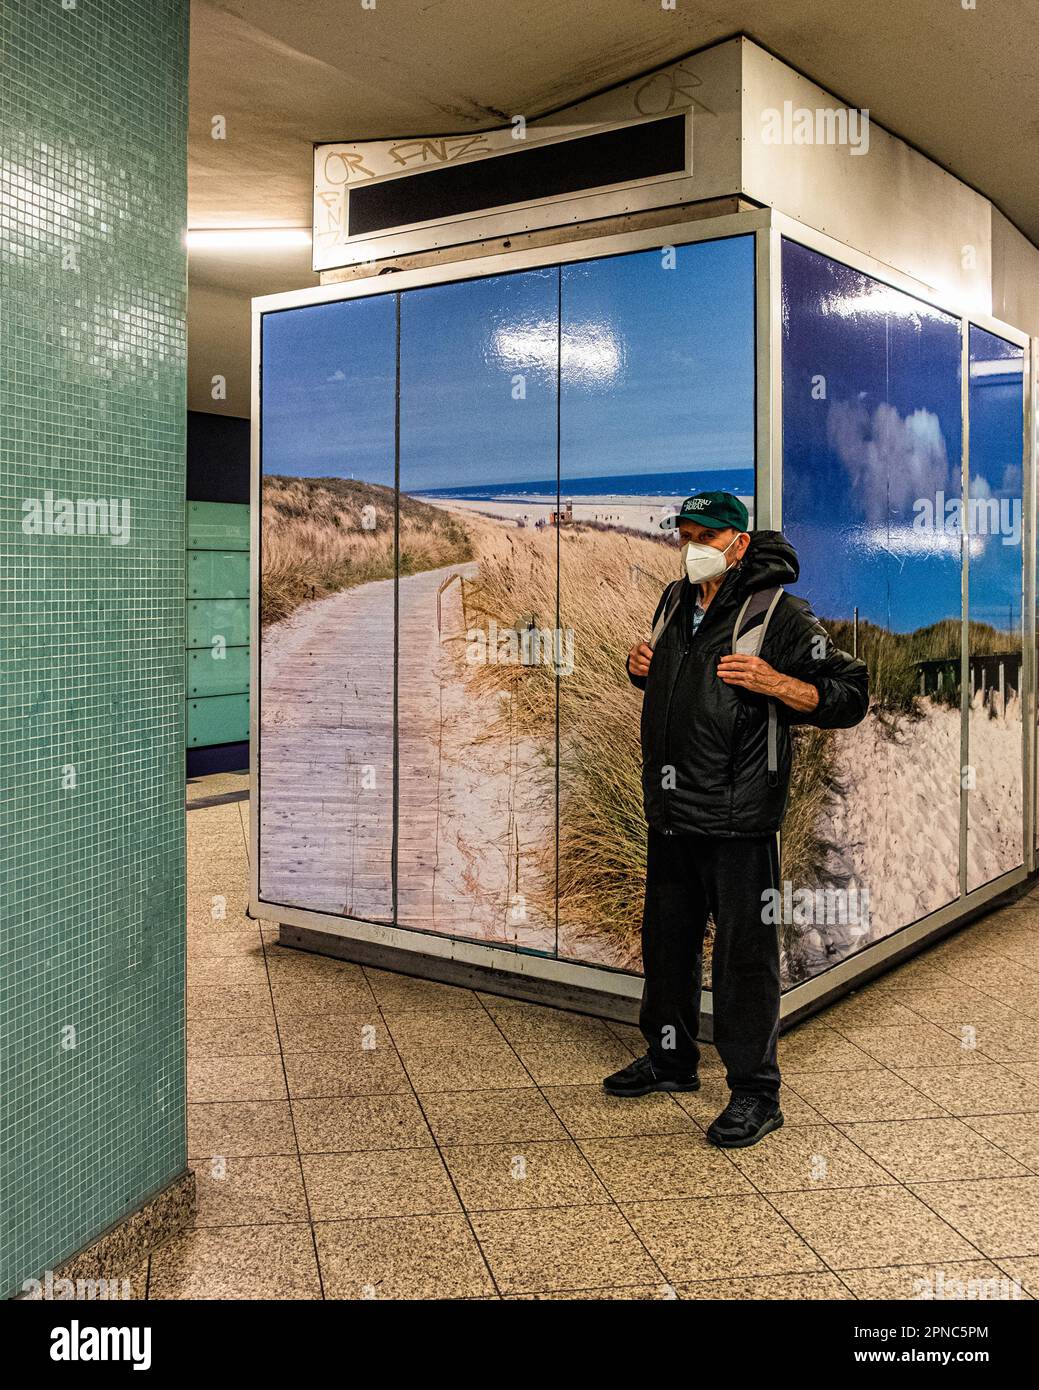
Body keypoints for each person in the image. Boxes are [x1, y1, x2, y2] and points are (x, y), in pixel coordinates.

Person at [605, 491, 869, 1148]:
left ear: (738, 542)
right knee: (666, 950)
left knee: (742, 962)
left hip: (738, 821)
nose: (690, 546)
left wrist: (776, 683)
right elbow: (683, 687)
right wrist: (642, 670)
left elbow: (848, 695)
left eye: (705, 535)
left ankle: (755, 1093)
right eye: (684, 534)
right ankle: (670, 1061)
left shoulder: (778, 614)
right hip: (670, 812)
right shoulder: (673, 603)